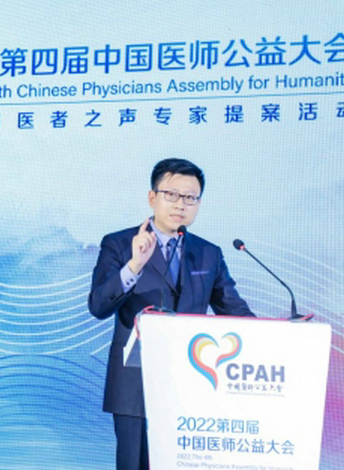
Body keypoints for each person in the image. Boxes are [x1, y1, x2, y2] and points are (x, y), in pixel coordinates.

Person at [88, 158, 255, 470]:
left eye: (190, 198)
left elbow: (234, 310)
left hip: (190, 382)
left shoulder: (208, 253)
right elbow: (98, 306)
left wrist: (283, 334)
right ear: (152, 197)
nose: (181, 204)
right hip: (135, 383)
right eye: (172, 195)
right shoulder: (119, 244)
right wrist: (134, 266)